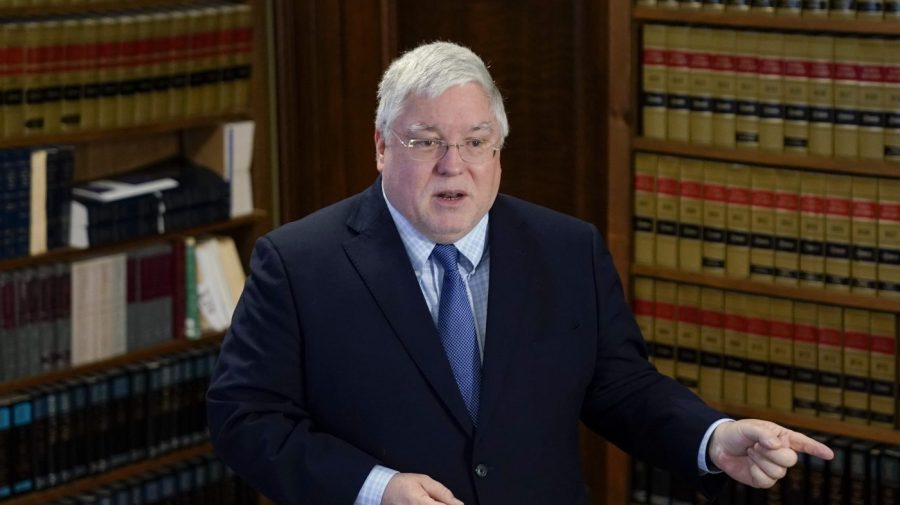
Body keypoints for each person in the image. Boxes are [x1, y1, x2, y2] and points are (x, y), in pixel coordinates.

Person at [207, 41, 833, 505]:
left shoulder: (567, 249)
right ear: (381, 146)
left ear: (499, 151)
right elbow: (246, 420)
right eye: (425, 142)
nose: (454, 166)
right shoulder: (298, 262)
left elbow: (620, 386)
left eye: (476, 142)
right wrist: (376, 488)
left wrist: (713, 436)